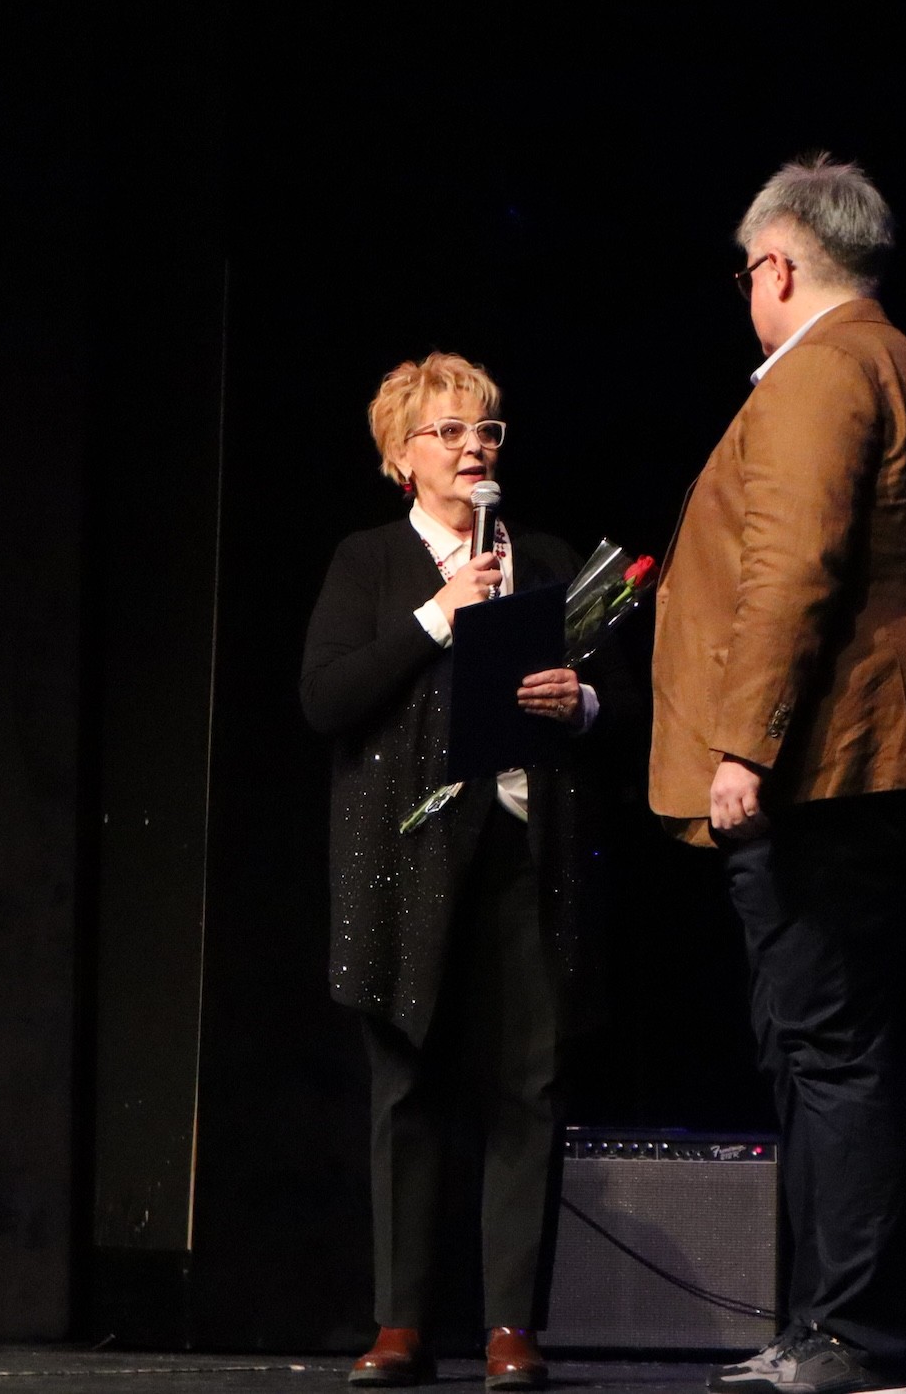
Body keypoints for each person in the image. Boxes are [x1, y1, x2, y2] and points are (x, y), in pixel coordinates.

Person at [649, 155, 906, 1394]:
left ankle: (850, 1330)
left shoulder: (824, 369)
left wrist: (744, 741)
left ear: (776, 266)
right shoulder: (894, 359)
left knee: (829, 1045)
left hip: (828, 762)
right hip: (867, 752)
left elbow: (792, 564)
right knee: (822, 1044)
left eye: (749, 274)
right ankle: (826, 1324)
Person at [302, 352, 609, 1392]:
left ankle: (512, 1325)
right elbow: (326, 697)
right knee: (408, 1087)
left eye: (485, 429)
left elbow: (617, 701)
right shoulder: (371, 562)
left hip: (524, 849)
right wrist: (440, 613)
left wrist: (581, 703)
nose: (473, 446)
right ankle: (401, 1324)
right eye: (448, 431)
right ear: (401, 457)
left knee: (529, 1085)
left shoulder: (546, 557)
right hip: (406, 859)